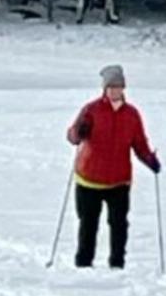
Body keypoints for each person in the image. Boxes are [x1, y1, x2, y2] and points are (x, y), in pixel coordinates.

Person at [65, 63, 160, 270]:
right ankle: (83, 264)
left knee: (119, 225)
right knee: (88, 225)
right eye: (111, 86)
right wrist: (78, 132)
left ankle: (117, 264)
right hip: (89, 179)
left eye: (119, 86)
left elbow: (139, 143)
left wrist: (149, 159)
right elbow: (73, 136)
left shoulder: (131, 114)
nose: (115, 90)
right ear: (104, 89)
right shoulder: (91, 110)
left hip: (119, 180)